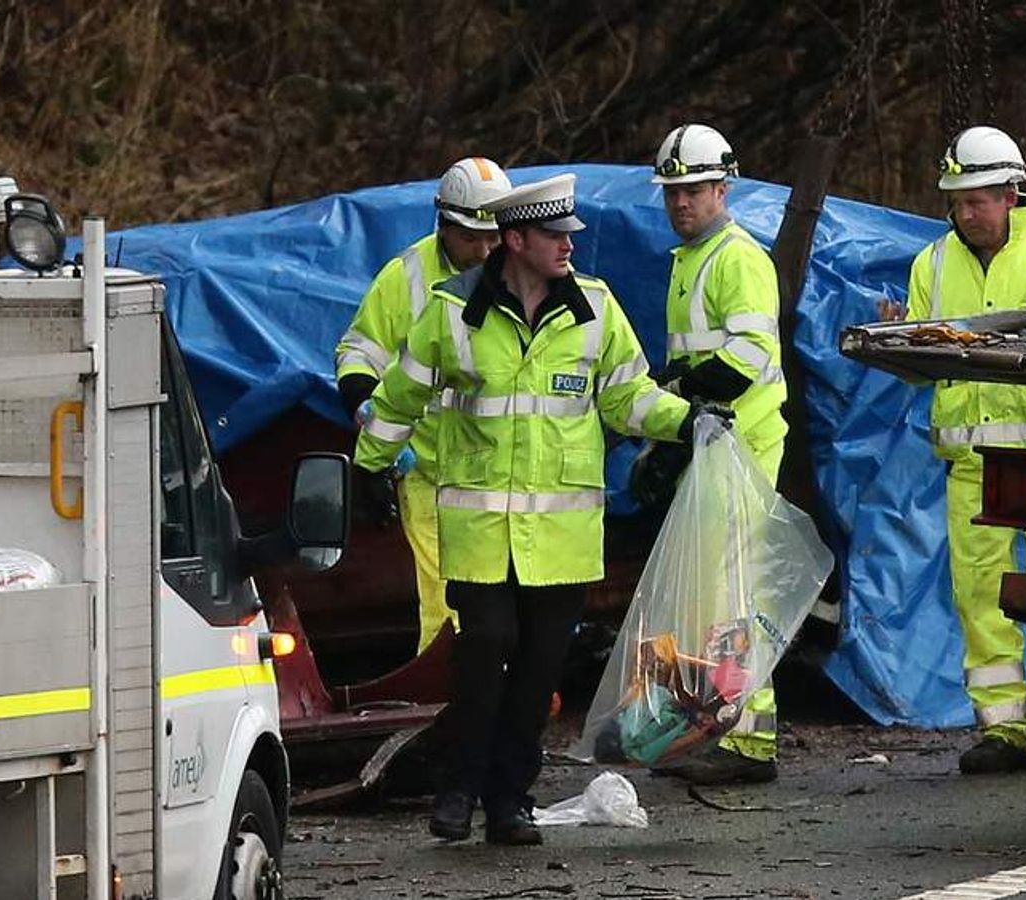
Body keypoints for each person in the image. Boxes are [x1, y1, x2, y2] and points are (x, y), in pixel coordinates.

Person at [353, 173, 724, 845]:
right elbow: (398, 398)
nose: (569, 247)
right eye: (555, 236)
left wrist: (688, 419)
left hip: (561, 541)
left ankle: (509, 800)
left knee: (536, 674)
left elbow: (627, 398)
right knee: (483, 652)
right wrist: (366, 470)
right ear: (515, 240)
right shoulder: (452, 313)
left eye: (570, 235)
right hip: (482, 534)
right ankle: (460, 787)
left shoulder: (595, 311)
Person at [878, 125, 1026, 775]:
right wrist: (900, 346)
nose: (965, 213)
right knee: (979, 599)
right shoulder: (930, 264)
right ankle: (1005, 728)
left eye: (977, 199)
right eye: (956, 201)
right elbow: (927, 368)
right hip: (973, 464)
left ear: (1012, 194)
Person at [634, 123, 786, 786]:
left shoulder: (735, 258)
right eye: (672, 192)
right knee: (712, 594)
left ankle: (749, 738)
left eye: (692, 190)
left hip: (740, 443)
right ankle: (714, 723)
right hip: (713, 443)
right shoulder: (691, 259)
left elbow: (750, 358)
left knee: (734, 595)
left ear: (722, 188)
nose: (680, 203)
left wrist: (684, 394)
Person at [334, 157, 511, 654]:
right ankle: (452, 696)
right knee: (444, 603)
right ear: (443, 225)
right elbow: (360, 352)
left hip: (505, 470)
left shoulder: (521, 275)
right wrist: (371, 418)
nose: (483, 251)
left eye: (493, 238)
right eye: (471, 238)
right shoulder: (407, 277)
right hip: (430, 471)